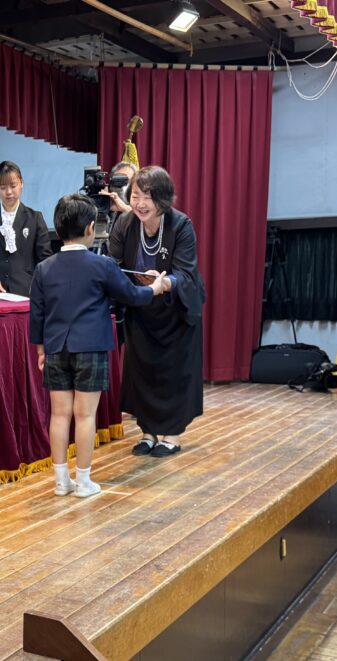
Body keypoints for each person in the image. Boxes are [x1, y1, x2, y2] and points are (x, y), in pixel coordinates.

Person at [29, 193, 165, 498]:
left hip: (55, 348)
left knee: (59, 415)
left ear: (58, 227)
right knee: (85, 415)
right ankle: (84, 481)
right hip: (90, 347)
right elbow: (131, 295)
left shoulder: (44, 268)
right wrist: (155, 288)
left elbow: (36, 315)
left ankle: (61, 482)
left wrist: (40, 350)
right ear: (91, 228)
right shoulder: (102, 264)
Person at [109, 166, 206, 458]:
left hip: (176, 310)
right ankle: (148, 433)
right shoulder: (125, 223)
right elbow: (113, 265)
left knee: (174, 373)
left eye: (147, 197)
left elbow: (186, 274)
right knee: (142, 371)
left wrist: (164, 283)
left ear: (162, 199)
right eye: (135, 196)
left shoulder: (181, 225)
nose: (140, 204)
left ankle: (171, 435)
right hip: (141, 309)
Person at [0, 160, 52, 296]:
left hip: (26, 293)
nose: (8, 192)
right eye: (3, 187)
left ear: (21, 183)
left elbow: (45, 259)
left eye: (13, 186)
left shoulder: (35, 218)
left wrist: (36, 284)